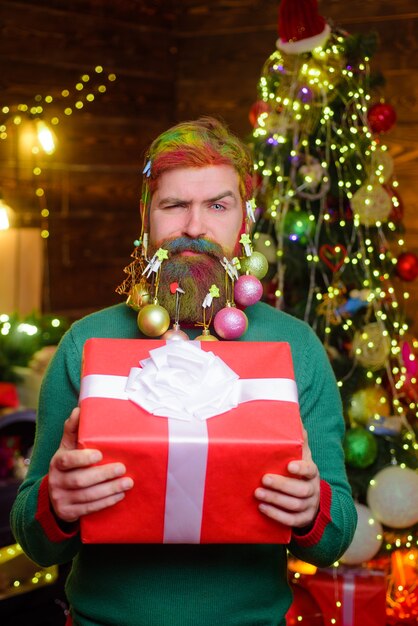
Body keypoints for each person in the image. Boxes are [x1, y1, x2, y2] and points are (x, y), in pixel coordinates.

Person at [11, 117, 357, 626]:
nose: (195, 227)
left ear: (245, 220)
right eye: (174, 205)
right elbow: (35, 541)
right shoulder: (85, 343)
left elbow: (338, 535)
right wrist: (57, 503)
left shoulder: (295, 347)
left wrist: (311, 508)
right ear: (145, 219)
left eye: (218, 205)